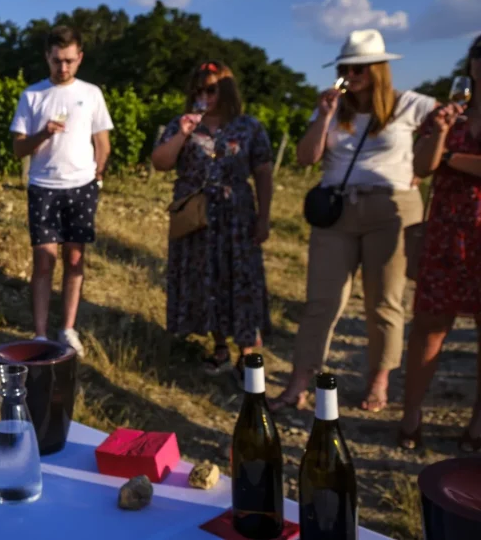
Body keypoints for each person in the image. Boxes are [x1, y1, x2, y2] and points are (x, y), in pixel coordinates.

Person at [269, 29, 436, 413]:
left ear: (378, 69)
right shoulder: (331, 107)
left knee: (384, 302)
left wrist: (420, 171)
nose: (351, 73)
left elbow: (445, 136)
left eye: (359, 67)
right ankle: (299, 382)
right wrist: (324, 117)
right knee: (321, 301)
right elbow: (306, 158)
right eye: (346, 66)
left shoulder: (411, 104)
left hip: (390, 209)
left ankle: (379, 380)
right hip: (337, 211)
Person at [151, 61, 274, 380]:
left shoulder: (249, 126)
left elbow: (263, 172)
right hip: (196, 218)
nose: (203, 95)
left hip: (236, 217)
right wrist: (183, 132)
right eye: (198, 89)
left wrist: (264, 217)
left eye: (210, 89)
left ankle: (247, 350)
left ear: (227, 90)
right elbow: (161, 163)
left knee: (241, 278)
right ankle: (220, 345)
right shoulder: (182, 124)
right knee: (207, 279)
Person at [398, 33, 481, 452]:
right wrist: (442, 135)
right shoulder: (449, 115)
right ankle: (411, 415)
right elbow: (420, 167)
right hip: (447, 234)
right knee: (429, 326)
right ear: (471, 65)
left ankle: (478, 425)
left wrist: (451, 159)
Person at [10, 26, 113, 357]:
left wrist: (97, 174)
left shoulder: (92, 94)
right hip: (43, 187)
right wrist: (42, 134)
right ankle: (40, 334)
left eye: (69, 61)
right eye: (57, 61)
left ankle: (67, 328)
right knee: (43, 260)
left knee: (75, 258)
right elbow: (18, 149)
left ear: (79, 58)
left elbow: (103, 142)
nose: (63, 68)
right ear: (47, 57)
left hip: (81, 187)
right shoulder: (33, 96)